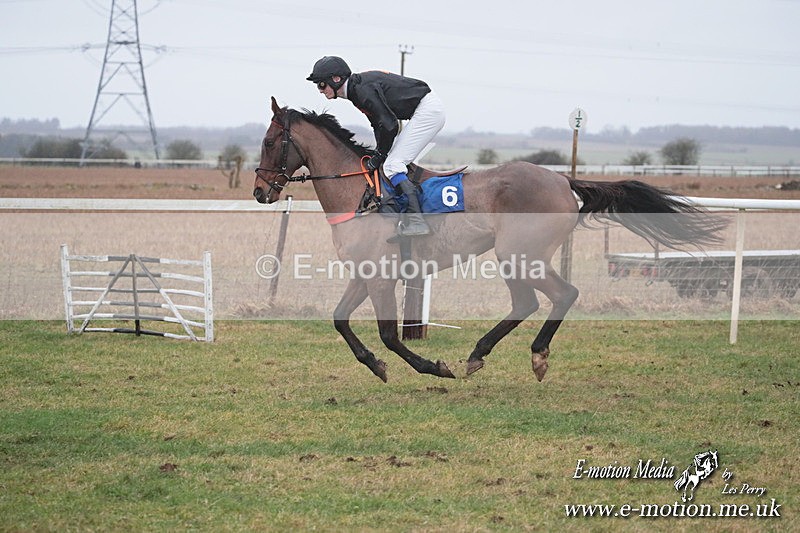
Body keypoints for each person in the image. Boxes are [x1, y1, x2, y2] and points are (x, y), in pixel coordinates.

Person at [306, 56, 445, 236]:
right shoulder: (357, 90)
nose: (320, 90)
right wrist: (380, 153)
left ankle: (417, 221)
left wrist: (380, 155)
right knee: (390, 163)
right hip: (424, 110)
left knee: (392, 165)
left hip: (428, 112)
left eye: (321, 85)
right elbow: (378, 125)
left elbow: (390, 125)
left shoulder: (361, 90)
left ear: (336, 79)